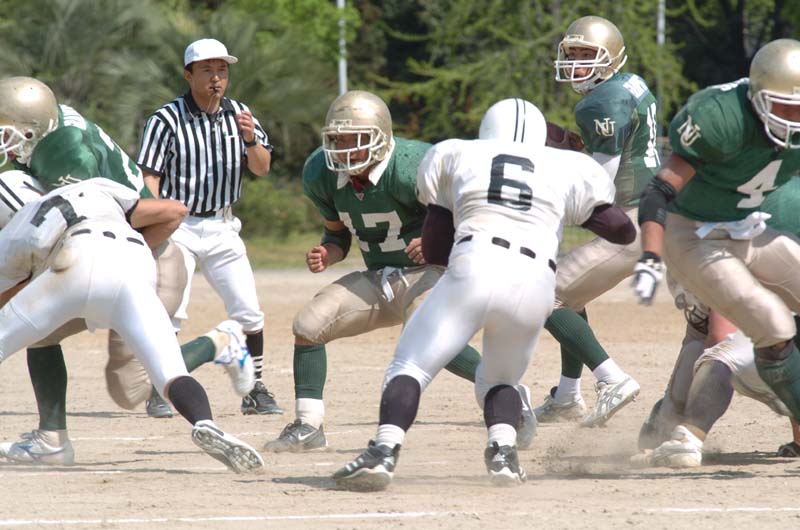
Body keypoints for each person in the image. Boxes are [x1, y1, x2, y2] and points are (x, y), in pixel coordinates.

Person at [332, 98, 636, 491]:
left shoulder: (458, 154)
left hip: (475, 263)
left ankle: (384, 450)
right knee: (501, 378)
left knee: (410, 365)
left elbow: (436, 249)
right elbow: (621, 231)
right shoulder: (564, 166)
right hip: (535, 281)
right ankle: (504, 453)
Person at [263, 90, 537, 453]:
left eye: (354, 140)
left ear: (379, 139)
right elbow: (337, 234)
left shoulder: (416, 165)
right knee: (309, 324)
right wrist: (328, 253)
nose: (343, 149)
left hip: (434, 271)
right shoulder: (320, 172)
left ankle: (506, 392)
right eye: (337, 140)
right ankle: (308, 424)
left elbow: (475, 218)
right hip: (381, 278)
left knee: (429, 333)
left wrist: (436, 241)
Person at [0, 76, 254, 464]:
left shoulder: (68, 163)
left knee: (131, 387)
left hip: (151, 250)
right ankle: (53, 439)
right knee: (49, 338)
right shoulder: (49, 128)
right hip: (126, 253)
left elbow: (157, 214)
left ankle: (221, 342)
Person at [633, 39, 800, 440]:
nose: (794, 120)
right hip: (692, 233)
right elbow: (658, 192)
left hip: (748, 227)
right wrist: (650, 256)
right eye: (784, 108)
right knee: (771, 324)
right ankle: (680, 424)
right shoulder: (721, 118)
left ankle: (666, 421)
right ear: (758, 98)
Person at [137, 37, 281, 415]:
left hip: (223, 224)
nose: (216, 77)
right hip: (179, 226)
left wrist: (250, 139)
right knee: (171, 311)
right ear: (188, 75)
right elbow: (149, 175)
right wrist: (153, 223)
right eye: (206, 70)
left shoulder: (241, 113)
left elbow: (262, 167)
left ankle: (255, 388)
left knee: (249, 311)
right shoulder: (166, 119)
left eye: (222, 70)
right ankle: (162, 388)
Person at [533, 15, 656, 426]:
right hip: (651, 210)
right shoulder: (630, 83)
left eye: (588, 55)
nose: (577, 65)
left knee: (542, 293)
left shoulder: (599, 102)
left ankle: (611, 378)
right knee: (572, 296)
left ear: (611, 57)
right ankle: (568, 395)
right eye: (572, 55)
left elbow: (597, 187)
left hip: (632, 220)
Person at [633, 176, 800, 468]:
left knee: (725, 354)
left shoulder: (731, 206)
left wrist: (672, 414)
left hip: (775, 351)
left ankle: (688, 438)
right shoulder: (784, 193)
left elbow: (719, 336)